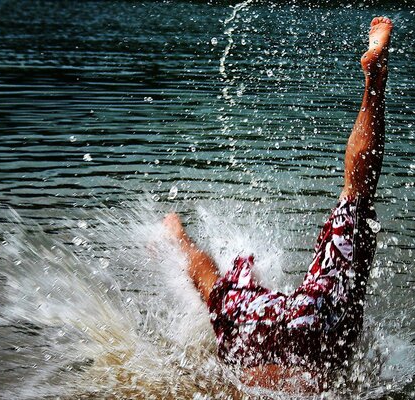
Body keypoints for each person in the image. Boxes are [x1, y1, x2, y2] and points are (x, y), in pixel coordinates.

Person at [163, 16, 394, 392]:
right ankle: (374, 84)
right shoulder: (239, 313)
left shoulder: (247, 322)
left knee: (357, 194)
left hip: (282, 328)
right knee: (354, 195)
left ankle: (177, 238)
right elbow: (207, 282)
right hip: (274, 327)